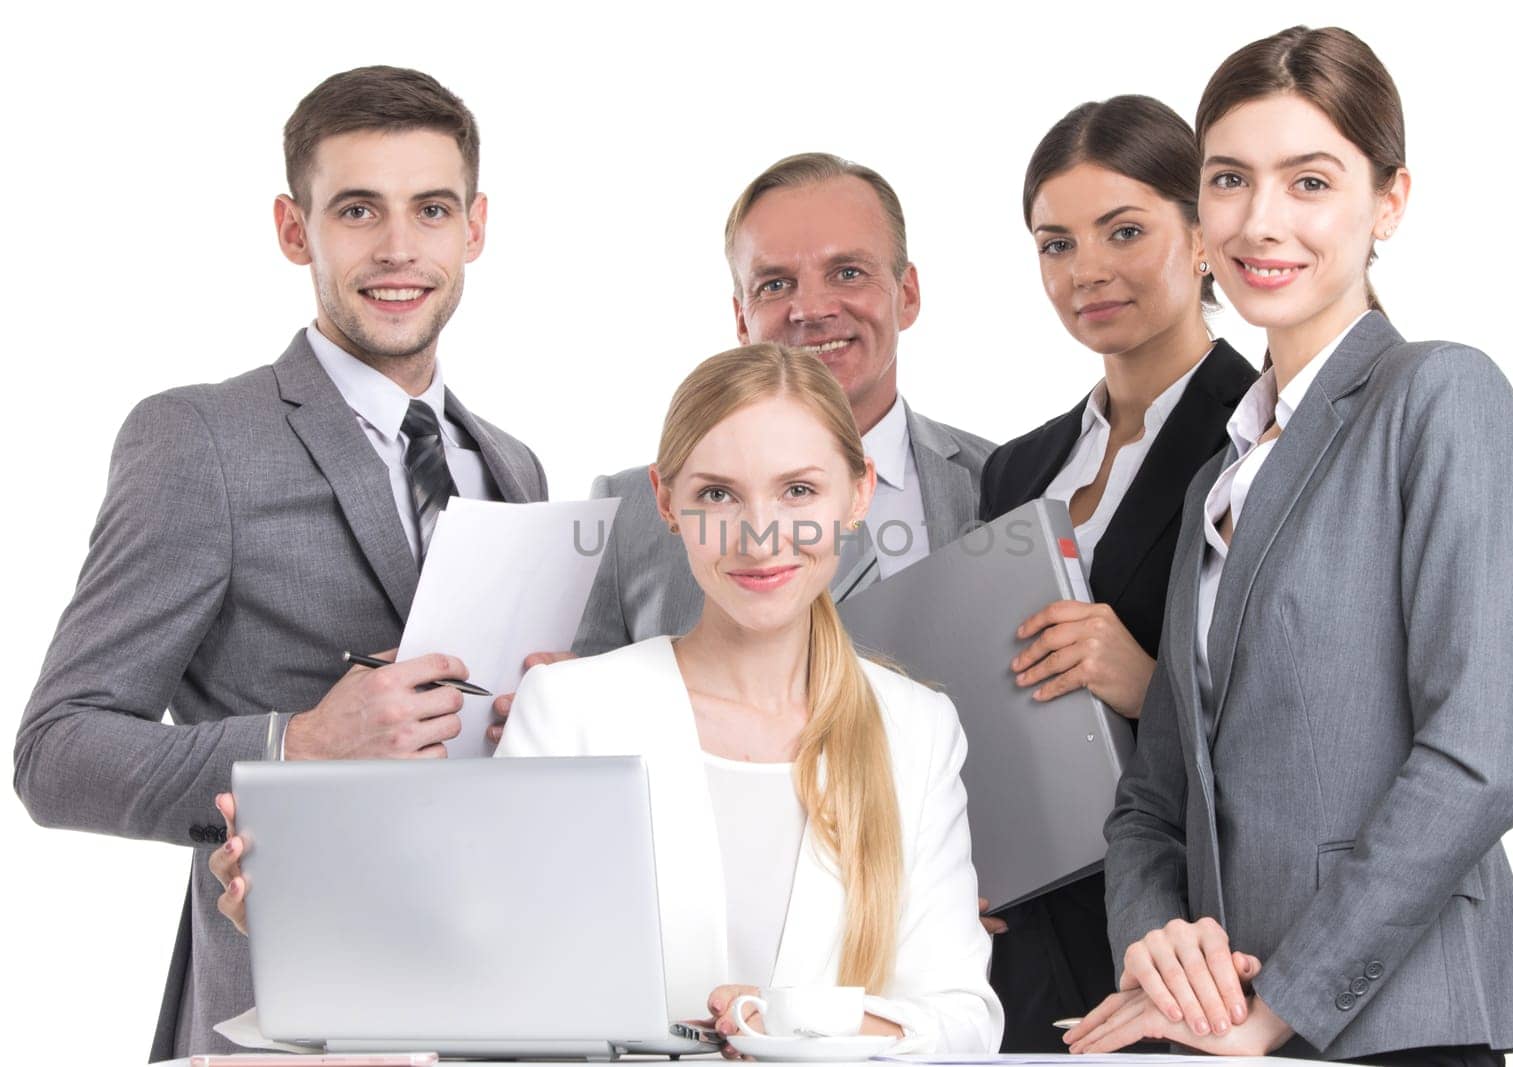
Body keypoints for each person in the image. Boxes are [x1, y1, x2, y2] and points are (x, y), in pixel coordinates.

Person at [215, 344, 1004, 1053]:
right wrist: (304, 931)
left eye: (799, 490)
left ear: (858, 493)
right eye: (719, 495)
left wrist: (789, 1022)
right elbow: (484, 982)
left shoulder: (916, 728)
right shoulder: (573, 707)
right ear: (665, 501)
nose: (760, 533)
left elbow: (964, 1016)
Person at [13, 67, 547, 1059]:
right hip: (285, 1017)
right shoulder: (199, 440)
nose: (397, 248)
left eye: (429, 208)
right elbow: (56, 754)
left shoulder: (509, 462)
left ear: (474, 227)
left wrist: (547, 721)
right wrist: (297, 742)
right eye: (356, 209)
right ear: (294, 229)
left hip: (496, 1005)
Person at [1069, 26, 1513, 1064]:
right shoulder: (1219, 470)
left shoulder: (1439, 396)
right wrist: (1156, 946)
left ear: (1387, 202)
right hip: (1225, 1028)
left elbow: (1478, 758)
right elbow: (1152, 797)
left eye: (1309, 181)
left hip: (1394, 1023)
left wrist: (1280, 1000)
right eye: (1229, 179)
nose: (1261, 221)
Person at [975, 96, 1257, 1052]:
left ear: (1204, 235)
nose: (1085, 270)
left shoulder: (1262, 435)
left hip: (1194, 927)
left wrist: (1148, 683)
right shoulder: (1017, 468)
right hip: (1028, 926)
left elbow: (1321, 715)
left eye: (1123, 231)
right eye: (1055, 244)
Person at [561, 153, 993, 665]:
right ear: (742, 318)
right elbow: (585, 711)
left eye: (848, 272)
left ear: (908, 294)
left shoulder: (1004, 483)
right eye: (774, 285)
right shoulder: (626, 511)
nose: (811, 309)